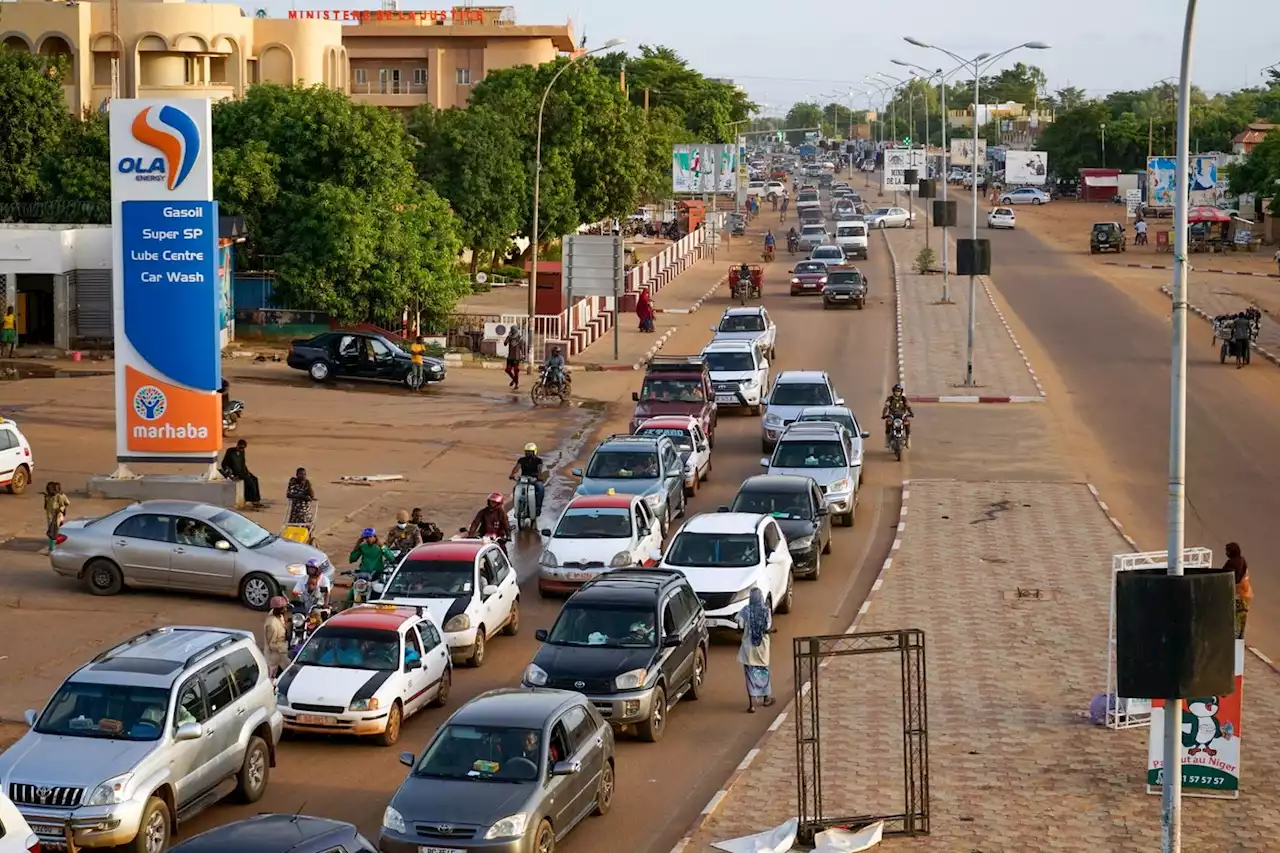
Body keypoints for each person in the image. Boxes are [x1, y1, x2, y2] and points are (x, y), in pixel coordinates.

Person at [735, 588, 775, 713]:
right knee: (763, 672)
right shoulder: (766, 611)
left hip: (748, 648)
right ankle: (766, 698)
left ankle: (751, 705)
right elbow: (767, 627)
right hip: (762, 648)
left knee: (749, 675)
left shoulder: (745, 611)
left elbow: (740, 625)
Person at [220, 439, 262, 507]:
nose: (241, 449)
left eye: (243, 448)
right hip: (235, 472)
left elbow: (243, 463)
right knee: (250, 482)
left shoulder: (242, 452)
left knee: (255, 479)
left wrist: (247, 472)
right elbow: (224, 464)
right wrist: (230, 473)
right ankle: (252, 499)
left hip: (242, 471)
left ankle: (257, 499)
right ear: (237, 445)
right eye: (240, 447)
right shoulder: (230, 451)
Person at [1223, 542, 1251, 638]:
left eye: (1227, 551)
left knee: (1235, 622)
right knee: (1241, 621)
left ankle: (1235, 642)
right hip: (1245, 595)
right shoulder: (1242, 560)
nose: (1226, 553)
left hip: (1236, 596)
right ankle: (1239, 639)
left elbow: (1227, 578)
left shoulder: (1232, 563)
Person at [510, 443, 547, 516]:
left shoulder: (538, 460)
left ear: (534, 451)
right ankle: (516, 508)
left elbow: (539, 468)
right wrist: (512, 474)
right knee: (515, 489)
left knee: (540, 488)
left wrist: (539, 476)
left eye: (530, 451)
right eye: (527, 451)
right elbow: (517, 468)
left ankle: (538, 508)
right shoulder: (522, 460)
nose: (528, 453)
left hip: (534, 479)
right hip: (523, 479)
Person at [262, 596, 290, 678]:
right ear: (278, 609)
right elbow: (271, 644)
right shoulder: (271, 625)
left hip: (281, 651)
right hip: (274, 656)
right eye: (283, 608)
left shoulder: (279, 616)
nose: (285, 609)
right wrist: (285, 648)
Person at [881, 383, 914, 448]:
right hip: (892, 416)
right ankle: (887, 440)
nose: (897, 392)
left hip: (902, 416)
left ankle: (908, 438)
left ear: (901, 391)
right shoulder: (890, 399)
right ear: (893, 391)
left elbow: (908, 407)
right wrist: (884, 415)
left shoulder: (904, 399)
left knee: (907, 423)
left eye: (899, 391)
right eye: (896, 391)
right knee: (888, 422)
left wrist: (911, 413)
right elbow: (886, 407)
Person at [44, 481, 69, 551]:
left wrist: (60, 510)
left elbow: (64, 504)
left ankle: (51, 549)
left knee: (52, 533)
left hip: (56, 517)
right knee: (54, 532)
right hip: (50, 517)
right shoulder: (48, 497)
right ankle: (55, 546)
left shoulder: (58, 497)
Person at [503, 326, 526, 390]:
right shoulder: (509, 337)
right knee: (507, 370)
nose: (512, 331)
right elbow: (505, 343)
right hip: (510, 356)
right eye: (511, 330)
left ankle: (516, 384)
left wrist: (523, 355)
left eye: (513, 330)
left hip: (516, 357)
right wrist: (508, 337)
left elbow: (522, 347)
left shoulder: (519, 338)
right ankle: (514, 379)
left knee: (516, 371)